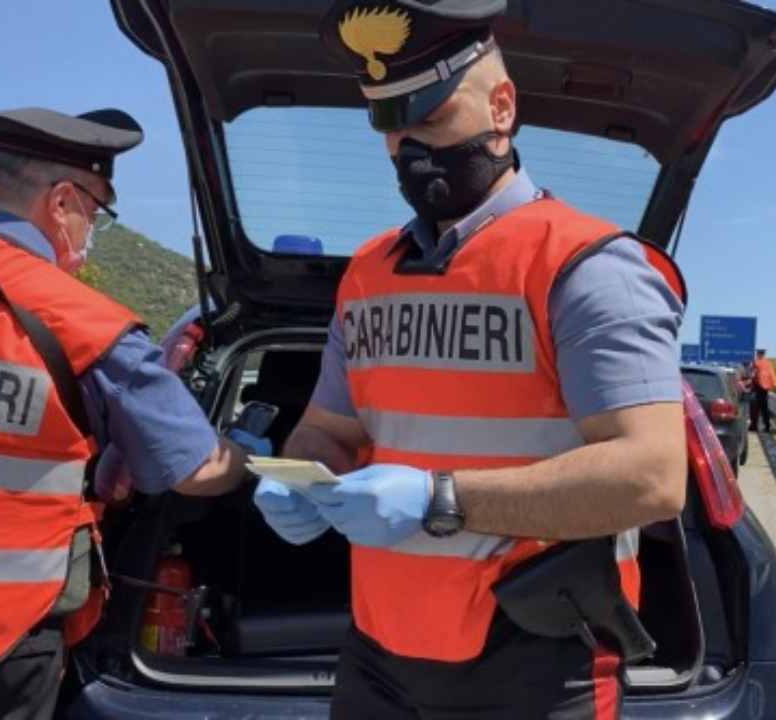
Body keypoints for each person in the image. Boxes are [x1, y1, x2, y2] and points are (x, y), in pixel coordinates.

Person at [250, 2, 688, 717]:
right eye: (389, 124)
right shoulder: (368, 274)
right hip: (378, 649)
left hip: (535, 657)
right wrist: (302, 475)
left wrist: (440, 500)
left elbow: (651, 476)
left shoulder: (585, 266)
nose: (408, 147)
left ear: (501, 108)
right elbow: (327, 430)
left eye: (429, 115)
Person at [0, 107, 268, 720]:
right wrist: (250, 456)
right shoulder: (89, 326)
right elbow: (197, 469)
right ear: (61, 203)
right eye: (97, 213)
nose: (91, 230)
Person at [748, 348, 776, 432]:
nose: (757, 355)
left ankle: (754, 426)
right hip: (765, 388)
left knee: (754, 407)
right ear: (764, 354)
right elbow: (772, 373)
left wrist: (750, 379)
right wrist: (775, 383)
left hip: (757, 387)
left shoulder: (755, 362)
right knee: (764, 407)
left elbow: (752, 374)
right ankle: (767, 426)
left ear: (758, 354)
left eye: (758, 353)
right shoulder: (768, 363)